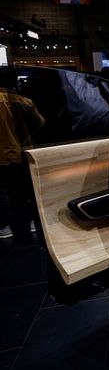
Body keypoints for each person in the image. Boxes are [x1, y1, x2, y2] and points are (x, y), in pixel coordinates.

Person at [0, 67, 45, 241]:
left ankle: (5, 226)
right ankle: (30, 222)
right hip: (20, 154)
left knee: (2, 194)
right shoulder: (23, 101)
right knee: (23, 193)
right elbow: (41, 123)